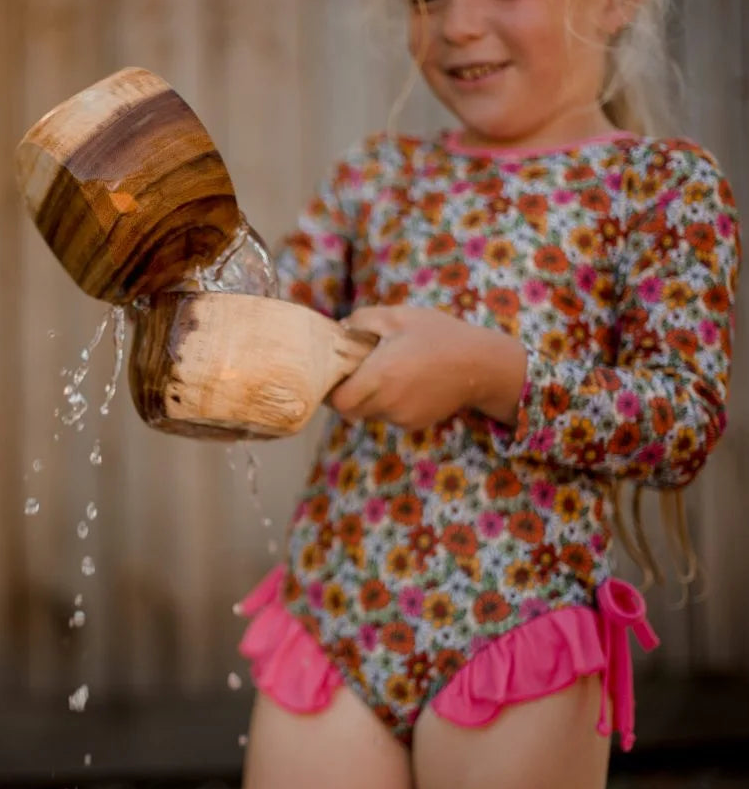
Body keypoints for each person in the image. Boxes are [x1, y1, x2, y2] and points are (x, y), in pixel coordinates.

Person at [236, 1, 741, 787]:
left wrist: (489, 372)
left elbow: (681, 422)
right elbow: (267, 332)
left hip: (516, 628)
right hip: (333, 614)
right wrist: (195, 290)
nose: (457, 26)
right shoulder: (375, 176)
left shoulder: (658, 187)